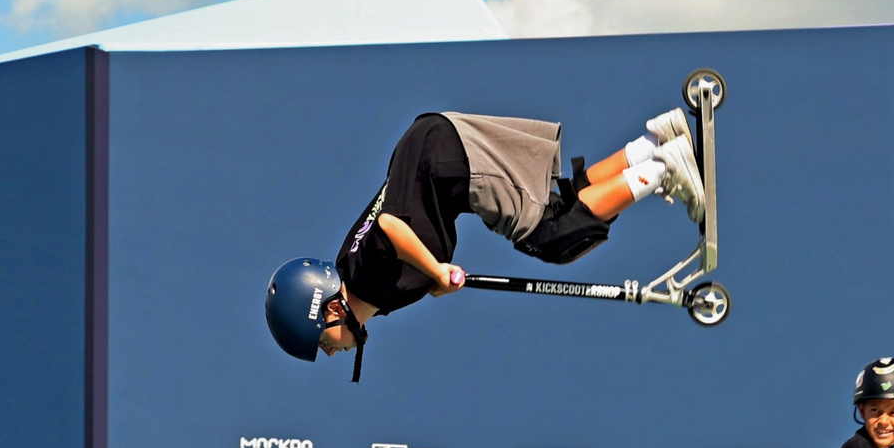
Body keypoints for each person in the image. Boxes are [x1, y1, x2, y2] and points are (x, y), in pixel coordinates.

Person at [265, 106, 706, 377]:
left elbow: (391, 228)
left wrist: (436, 270)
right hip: (439, 150)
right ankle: (653, 143)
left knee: (552, 237)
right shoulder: (372, 294)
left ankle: (666, 167)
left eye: (323, 340)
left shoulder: (363, 276)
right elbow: (409, 251)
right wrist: (437, 282)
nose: (332, 350)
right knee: (556, 213)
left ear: (329, 307)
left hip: (448, 162)